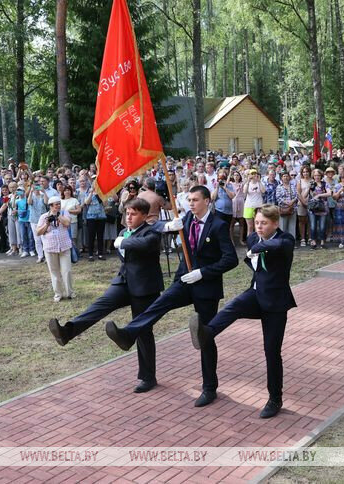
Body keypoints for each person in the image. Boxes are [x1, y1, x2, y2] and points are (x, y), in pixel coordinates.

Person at [104, 185, 238, 408]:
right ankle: (129, 334)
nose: (191, 203)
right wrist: (167, 226)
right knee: (159, 304)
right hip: (184, 281)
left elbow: (230, 259)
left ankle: (209, 388)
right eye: (189, 200)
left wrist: (203, 273)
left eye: (195, 200)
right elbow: (155, 225)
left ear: (207, 201)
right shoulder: (187, 219)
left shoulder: (218, 225)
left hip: (206, 287)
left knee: (205, 335)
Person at [188, 204, 296, 418]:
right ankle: (206, 333)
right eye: (257, 222)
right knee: (233, 306)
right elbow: (252, 258)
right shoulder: (254, 238)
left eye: (264, 223)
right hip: (255, 295)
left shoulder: (286, 239)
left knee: (271, 352)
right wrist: (255, 249)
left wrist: (257, 249)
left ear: (275, 223)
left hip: (275, 304)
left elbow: (276, 245)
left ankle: (275, 399)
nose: (259, 227)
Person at [48, 198, 163, 393]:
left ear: (144, 216)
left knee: (143, 330)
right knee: (100, 305)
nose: (129, 217)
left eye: (134, 214)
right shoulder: (123, 233)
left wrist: (124, 242)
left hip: (145, 287)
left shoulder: (151, 232)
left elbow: (145, 244)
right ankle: (68, 331)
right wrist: (123, 239)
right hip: (123, 282)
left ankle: (148, 377)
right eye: (127, 213)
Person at [36, 196, 73, 302]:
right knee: (54, 272)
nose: (58, 206)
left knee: (67, 271)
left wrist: (58, 216)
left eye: (59, 204)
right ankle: (58, 294)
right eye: (56, 204)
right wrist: (47, 224)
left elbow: (67, 223)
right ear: (50, 206)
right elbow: (38, 232)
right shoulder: (44, 217)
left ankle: (70, 293)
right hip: (50, 247)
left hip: (64, 246)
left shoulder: (64, 213)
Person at [307, 169, 331, 249]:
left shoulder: (325, 184)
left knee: (322, 226)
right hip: (313, 207)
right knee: (313, 226)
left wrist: (319, 195)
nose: (317, 177)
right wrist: (309, 188)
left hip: (323, 207)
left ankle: (322, 242)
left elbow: (329, 193)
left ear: (321, 176)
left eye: (318, 175)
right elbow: (308, 194)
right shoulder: (311, 184)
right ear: (313, 176)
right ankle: (313, 241)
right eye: (315, 175)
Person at [275, 171, 298, 237]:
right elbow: (278, 197)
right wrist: (286, 202)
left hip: (292, 208)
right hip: (283, 209)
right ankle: (283, 241)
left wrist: (292, 202)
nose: (285, 177)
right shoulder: (279, 187)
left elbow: (296, 196)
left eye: (287, 176)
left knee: (292, 227)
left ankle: (292, 241)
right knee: (282, 227)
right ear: (281, 178)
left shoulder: (293, 186)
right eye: (284, 176)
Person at [243, 169, 264, 238]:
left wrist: (259, 181)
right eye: (252, 174)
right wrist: (248, 181)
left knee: (258, 227)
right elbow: (244, 193)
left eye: (255, 174)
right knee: (250, 227)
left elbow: (263, 191)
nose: (254, 175)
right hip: (249, 206)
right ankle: (250, 242)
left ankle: (258, 242)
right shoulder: (247, 184)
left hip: (258, 206)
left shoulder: (259, 183)